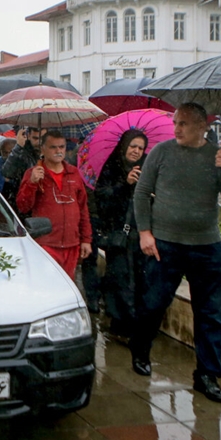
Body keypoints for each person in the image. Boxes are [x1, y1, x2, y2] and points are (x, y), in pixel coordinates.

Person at [129, 102, 221, 403]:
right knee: (154, 303)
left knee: (210, 314)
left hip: (206, 246)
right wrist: (145, 232)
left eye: (184, 123)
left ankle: (207, 375)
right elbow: (142, 192)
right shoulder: (161, 153)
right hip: (165, 244)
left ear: (202, 126)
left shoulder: (217, 156)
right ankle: (140, 349)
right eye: (176, 122)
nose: (176, 128)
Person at [17, 131, 92, 279]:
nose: (58, 151)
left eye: (61, 147)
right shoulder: (33, 173)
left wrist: (86, 240)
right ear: (43, 149)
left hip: (72, 244)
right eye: (53, 147)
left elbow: (83, 209)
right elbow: (23, 206)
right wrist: (32, 183)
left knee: (68, 285)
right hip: (46, 244)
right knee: (47, 284)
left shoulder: (74, 173)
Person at [95, 129, 148, 340]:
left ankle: (135, 326)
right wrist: (124, 185)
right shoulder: (111, 168)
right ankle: (120, 326)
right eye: (133, 146)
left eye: (141, 148)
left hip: (140, 235)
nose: (136, 151)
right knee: (119, 280)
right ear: (124, 146)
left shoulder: (146, 170)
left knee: (139, 281)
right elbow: (102, 199)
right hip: (118, 235)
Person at [1, 127, 41, 211]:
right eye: (35, 138)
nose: (39, 142)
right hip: (25, 205)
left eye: (42, 138)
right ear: (28, 136)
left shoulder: (51, 153)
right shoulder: (22, 153)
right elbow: (7, 172)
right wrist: (18, 146)